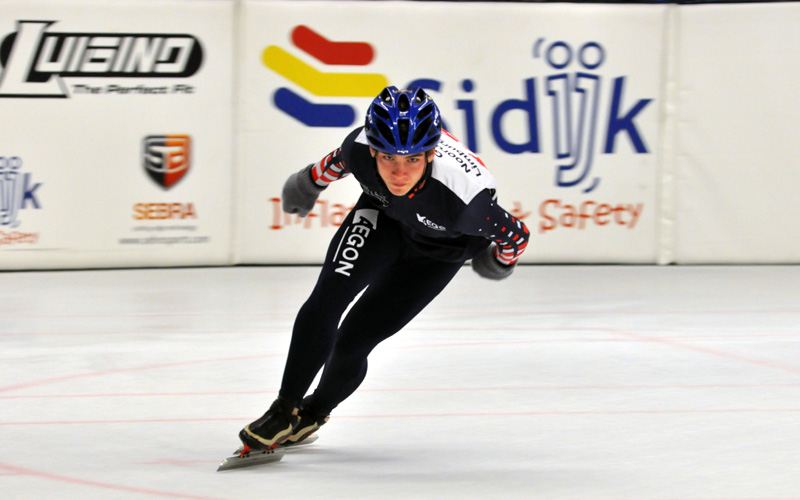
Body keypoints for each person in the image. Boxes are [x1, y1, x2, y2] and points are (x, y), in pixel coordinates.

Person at [238, 86, 529, 450]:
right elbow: (333, 164)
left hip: (439, 253)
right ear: (372, 149)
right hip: (385, 217)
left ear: (431, 153)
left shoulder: (466, 200)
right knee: (327, 299)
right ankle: (284, 409)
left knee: (352, 342)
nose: (399, 171)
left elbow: (516, 235)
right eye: (388, 158)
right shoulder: (357, 148)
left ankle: (314, 413)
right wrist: (307, 182)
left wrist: (498, 263)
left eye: (412, 160)